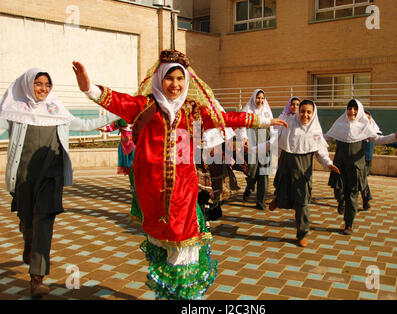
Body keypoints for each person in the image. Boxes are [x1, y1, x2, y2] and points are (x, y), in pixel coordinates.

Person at [72, 49, 287, 300]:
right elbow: (117, 101)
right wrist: (88, 88)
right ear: (160, 78)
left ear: (186, 81)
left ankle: (185, 297)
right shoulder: (144, 107)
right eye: (169, 78)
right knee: (161, 245)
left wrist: (262, 122)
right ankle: (168, 293)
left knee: (183, 243)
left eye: (180, 79)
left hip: (183, 189)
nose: (175, 85)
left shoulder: (193, 111)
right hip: (151, 190)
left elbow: (225, 118)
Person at [0, 68, 118, 298]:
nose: (43, 89)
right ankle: (29, 241)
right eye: (38, 83)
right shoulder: (14, 111)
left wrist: (116, 114)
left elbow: (84, 124)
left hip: (51, 178)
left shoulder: (57, 110)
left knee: (44, 220)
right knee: (28, 221)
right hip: (24, 178)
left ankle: (37, 278)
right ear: (27, 85)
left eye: (47, 84)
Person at [326, 99, 397, 235]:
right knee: (338, 191)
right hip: (339, 166)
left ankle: (349, 224)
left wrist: (395, 137)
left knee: (352, 195)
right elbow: (326, 138)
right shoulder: (339, 125)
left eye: (355, 108)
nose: (352, 111)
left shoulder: (364, 127)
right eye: (349, 108)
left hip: (356, 167)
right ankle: (340, 202)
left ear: (359, 110)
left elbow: (379, 139)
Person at [268, 100, 340, 247]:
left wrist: (328, 164)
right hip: (286, 168)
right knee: (283, 197)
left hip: (303, 174)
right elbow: (276, 144)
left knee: (302, 204)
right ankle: (278, 200)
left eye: (308, 112)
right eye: (302, 111)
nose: (305, 115)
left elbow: (321, 153)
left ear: (313, 114)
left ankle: (302, 233)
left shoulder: (315, 132)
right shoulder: (289, 125)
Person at [236, 89, 273, 210]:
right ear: (253, 98)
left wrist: (273, 141)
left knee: (264, 173)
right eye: (258, 98)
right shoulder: (247, 110)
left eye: (262, 98)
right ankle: (249, 185)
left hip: (265, 142)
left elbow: (272, 127)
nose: (260, 100)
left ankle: (260, 201)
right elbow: (241, 126)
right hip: (251, 141)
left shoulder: (267, 111)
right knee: (252, 171)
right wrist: (244, 138)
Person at [361, 111, 397, 210]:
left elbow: (382, 140)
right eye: (363, 118)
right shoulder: (356, 131)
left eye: (368, 118)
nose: (366, 120)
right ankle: (364, 200)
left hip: (367, 160)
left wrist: (396, 144)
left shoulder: (373, 132)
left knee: (361, 179)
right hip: (356, 159)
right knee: (360, 180)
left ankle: (365, 199)